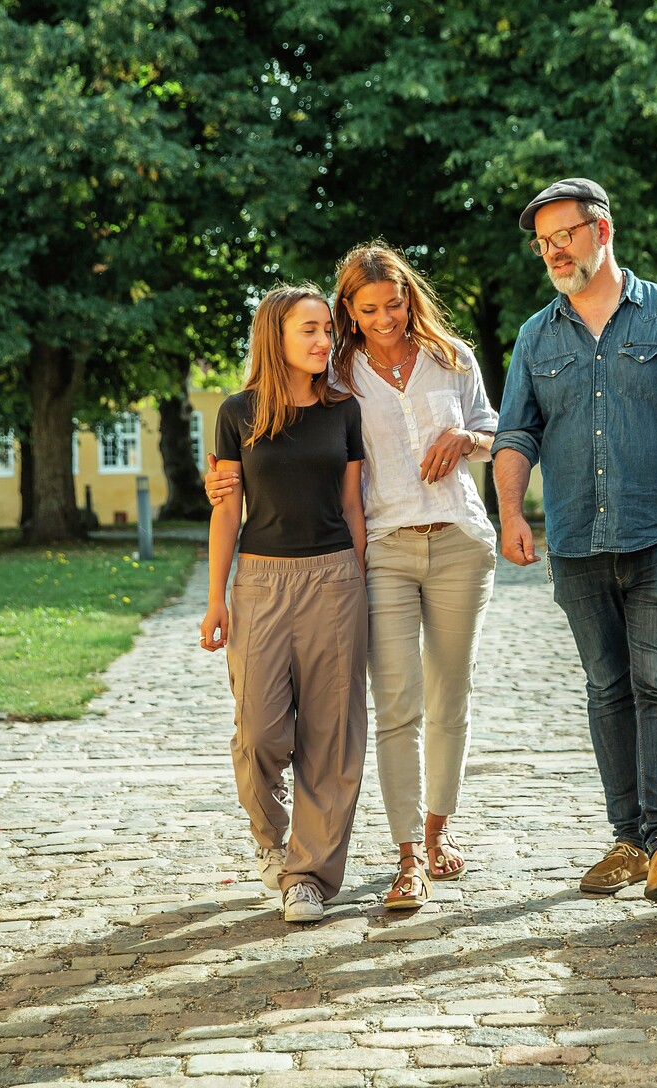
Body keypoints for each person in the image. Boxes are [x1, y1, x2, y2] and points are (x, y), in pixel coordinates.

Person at [492, 177, 657, 905]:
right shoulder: (535, 335)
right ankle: (628, 838)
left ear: (602, 231)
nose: (552, 250)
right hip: (577, 539)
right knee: (607, 688)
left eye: (564, 235)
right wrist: (511, 514)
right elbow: (517, 432)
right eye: (542, 241)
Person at [208, 242, 499, 913]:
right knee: (388, 706)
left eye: (394, 304)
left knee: (446, 695)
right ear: (350, 310)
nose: (385, 318)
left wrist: (468, 441)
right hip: (383, 548)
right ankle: (398, 858)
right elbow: (274, 442)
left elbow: (497, 430)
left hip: (456, 538)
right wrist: (223, 478)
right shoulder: (339, 373)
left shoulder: (451, 357)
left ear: (409, 298)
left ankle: (433, 833)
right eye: (368, 309)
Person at [200, 285, 368, 924]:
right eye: (310, 330)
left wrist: (361, 582)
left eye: (328, 329)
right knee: (261, 732)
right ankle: (270, 840)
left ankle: (309, 876)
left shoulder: (342, 411)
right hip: (261, 584)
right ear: (276, 335)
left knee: (332, 736)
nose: (325, 341)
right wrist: (216, 599)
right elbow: (225, 512)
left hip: (334, 580)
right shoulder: (237, 413)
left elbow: (353, 506)